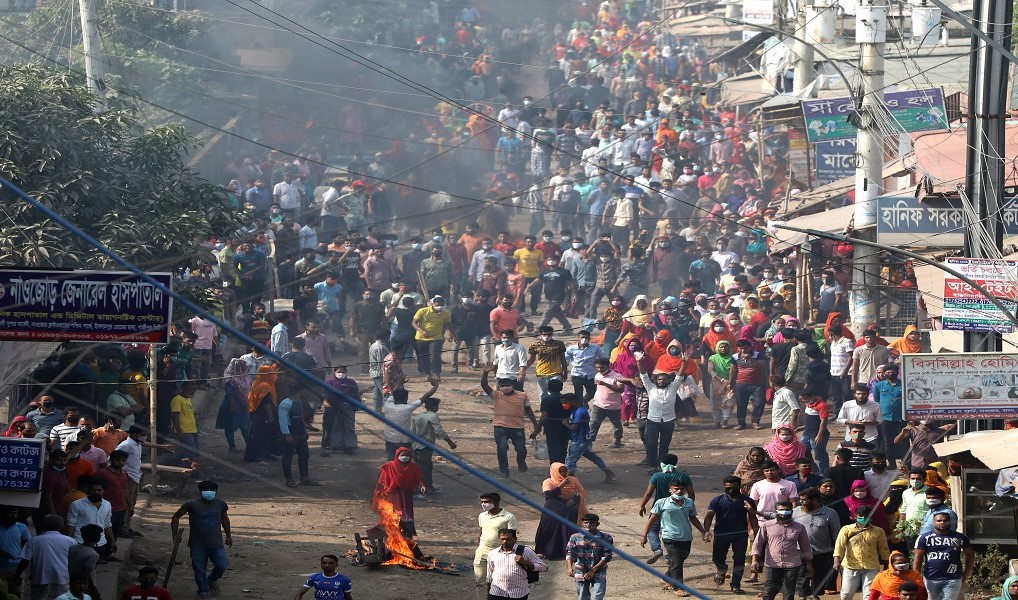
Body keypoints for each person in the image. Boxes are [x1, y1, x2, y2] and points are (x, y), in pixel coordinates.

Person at [170, 480, 232, 600]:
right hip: (197, 544)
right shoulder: (191, 505)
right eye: (205, 490)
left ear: (216, 491)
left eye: (212, 490)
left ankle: (212, 579)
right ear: (200, 491)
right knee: (199, 569)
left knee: (222, 565)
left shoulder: (221, 504)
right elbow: (176, 516)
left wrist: (228, 536)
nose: (209, 492)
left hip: (216, 543)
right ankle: (202, 591)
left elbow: (224, 519)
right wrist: (174, 534)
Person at [642, 479, 705, 596]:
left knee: (680, 560)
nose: (679, 491)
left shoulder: (689, 502)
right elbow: (652, 520)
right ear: (670, 490)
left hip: (686, 536)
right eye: (676, 489)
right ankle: (678, 587)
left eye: (682, 489)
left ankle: (666, 577)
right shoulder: (662, 503)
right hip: (669, 537)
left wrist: (703, 531)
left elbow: (693, 518)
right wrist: (644, 535)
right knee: (676, 561)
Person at [702, 475, 759, 595]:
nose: (731, 490)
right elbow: (709, 515)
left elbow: (753, 516)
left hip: (740, 534)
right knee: (717, 558)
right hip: (721, 534)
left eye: (734, 487)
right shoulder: (717, 500)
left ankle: (736, 584)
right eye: (728, 488)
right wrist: (706, 531)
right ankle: (721, 570)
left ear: (739, 487)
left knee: (739, 559)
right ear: (724, 487)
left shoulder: (747, 500)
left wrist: (756, 530)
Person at [638, 455, 695, 564]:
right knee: (673, 532)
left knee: (652, 530)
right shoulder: (683, 476)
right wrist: (688, 507)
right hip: (677, 508)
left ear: (662, 464)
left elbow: (649, 493)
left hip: (659, 507)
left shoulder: (657, 476)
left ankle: (657, 549)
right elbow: (691, 494)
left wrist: (642, 505)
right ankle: (670, 556)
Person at [481, 365, 537, 478]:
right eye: (502, 386)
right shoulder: (497, 395)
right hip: (500, 427)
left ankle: (521, 462)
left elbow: (529, 410)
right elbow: (484, 386)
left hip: (517, 427)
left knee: (521, 450)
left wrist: (536, 424)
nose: (505, 387)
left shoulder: (522, 395)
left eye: (507, 385)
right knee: (501, 448)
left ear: (512, 385)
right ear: (499, 387)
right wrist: (485, 373)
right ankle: (504, 470)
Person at [751, 500, 813, 600]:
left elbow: (805, 547)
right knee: (769, 592)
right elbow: (758, 543)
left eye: (787, 510)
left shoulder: (799, 527)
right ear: (776, 511)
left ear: (791, 511)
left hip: (792, 565)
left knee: (789, 594)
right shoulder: (767, 525)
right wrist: (754, 560)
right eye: (781, 510)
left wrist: (809, 565)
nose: (784, 512)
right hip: (773, 564)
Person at [793, 487, 841, 598]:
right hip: (800, 551)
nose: (801, 502)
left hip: (821, 551)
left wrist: (837, 553)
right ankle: (803, 596)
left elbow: (836, 535)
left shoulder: (830, 513)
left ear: (814, 500)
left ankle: (814, 595)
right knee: (802, 576)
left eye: (804, 500)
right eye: (800, 500)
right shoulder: (795, 512)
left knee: (818, 579)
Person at [834, 505, 891, 600]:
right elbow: (839, 546)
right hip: (850, 565)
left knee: (869, 595)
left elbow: (883, 548)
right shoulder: (846, 529)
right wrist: (836, 561)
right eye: (860, 516)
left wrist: (887, 563)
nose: (863, 518)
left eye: (866, 516)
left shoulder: (879, 531)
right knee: (846, 594)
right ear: (855, 516)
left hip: (871, 566)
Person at [913, 512, 973, 600]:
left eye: (945, 520)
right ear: (933, 522)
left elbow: (970, 555)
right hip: (931, 578)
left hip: (953, 578)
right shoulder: (924, 538)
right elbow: (918, 557)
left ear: (950, 522)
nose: (942, 522)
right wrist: (916, 576)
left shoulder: (960, 537)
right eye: (939, 520)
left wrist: (966, 573)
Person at [16, 514, 77, 600]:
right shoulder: (70, 541)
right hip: (62, 578)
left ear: (44, 526)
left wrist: (17, 575)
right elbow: (74, 561)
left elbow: (25, 560)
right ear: (60, 526)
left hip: (40, 579)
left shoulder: (34, 541)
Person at [636, 354, 681, 467]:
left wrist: (684, 362)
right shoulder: (650, 388)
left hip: (668, 421)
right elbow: (643, 375)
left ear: (668, 381)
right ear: (655, 380)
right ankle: (652, 466)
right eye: (659, 379)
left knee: (664, 445)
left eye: (664, 379)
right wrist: (639, 361)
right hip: (653, 421)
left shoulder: (673, 388)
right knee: (651, 444)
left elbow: (679, 376)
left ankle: (662, 465)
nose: (661, 381)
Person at [535, 463, 586, 560]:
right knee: (549, 529)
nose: (563, 473)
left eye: (564, 471)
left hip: (569, 508)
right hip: (553, 508)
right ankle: (545, 551)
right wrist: (562, 485)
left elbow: (581, 491)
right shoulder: (548, 482)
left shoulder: (573, 480)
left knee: (568, 530)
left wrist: (575, 499)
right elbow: (549, 495)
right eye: (560, 471)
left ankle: (568, 552)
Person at [562, 394, 616, 483]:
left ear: (572, 401)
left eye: (565, 402)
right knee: (593, 457)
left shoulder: (580, 412)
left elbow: (574, 427)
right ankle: (609, 473)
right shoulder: (575, 410)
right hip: (584, 440)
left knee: (570, 461)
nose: (564, 404)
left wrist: (565, 423)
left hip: (579, 440)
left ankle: (569, 482)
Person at [409, 396, 457, 496]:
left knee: (423, 467)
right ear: (435, 407)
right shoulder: (433, 416)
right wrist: (450, 442)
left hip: (416, 446)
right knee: (425, 469)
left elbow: (411, 433)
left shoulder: (417, 417)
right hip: (425, 447)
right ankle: (425, 488)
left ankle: (427, 486)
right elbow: (439, 431)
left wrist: (410, 447)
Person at [473, 493, 518, 600]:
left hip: (499, 555)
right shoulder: (482, 516)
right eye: (482, 502)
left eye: (487, 502)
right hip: (482, 553)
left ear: (496, 503)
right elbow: (481, 533)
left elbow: (512, 538)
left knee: (498, 582)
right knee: (480, 581)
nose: (484, 504)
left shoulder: (508, 517)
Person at [373, 447, 425, 538]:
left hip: (406, 494)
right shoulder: (389, 466)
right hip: (393, 494)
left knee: (407, 513)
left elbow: (418, 478)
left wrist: (422, 485)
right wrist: (380, 492)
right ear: (397, 456)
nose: (404, 457)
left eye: (407, 455)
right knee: (393, 513)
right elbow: (381, 480)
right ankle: (392, 533)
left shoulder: (413, 467)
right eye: (402, 455)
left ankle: (406, 534)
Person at [381, 377, 438, 459]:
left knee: (391, 461)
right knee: (405, 461)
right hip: (404, 441)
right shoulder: (407, 408)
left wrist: (399, 383)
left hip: (389, 439)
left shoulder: (387, 404)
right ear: (406, 399)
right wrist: (436, 385)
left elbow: (393, 393)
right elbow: (425, 397)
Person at [277, 376, 318, 487]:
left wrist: (305, 431)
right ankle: (289, 479)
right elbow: (283, 421)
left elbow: (300, 418)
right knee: (288, 456)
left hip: (300, 433)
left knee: (304, 455)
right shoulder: (285, 404)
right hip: (290, 433)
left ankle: (304, 478)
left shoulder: (299, 402)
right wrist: (287, 434)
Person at [486, 529, 548, 600]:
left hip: (518, 594)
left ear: (515, 539)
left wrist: (525, 562)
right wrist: (489, 593)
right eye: (502, 539)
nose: (505, 541)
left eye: (508, 539)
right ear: (499, 539)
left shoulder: (526, 551)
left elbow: (544, 567)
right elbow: (489, 575)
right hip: (496, 593)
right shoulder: (493, 553)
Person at [565, 514, 613, 600]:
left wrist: (593, 570)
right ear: (581, 523)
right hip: (581, 569)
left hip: (599, 570)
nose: (588, 525)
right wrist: (569, 567)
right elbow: (570, 553)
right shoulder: (575, 537)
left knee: (597, 597)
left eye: (592, 523)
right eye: (586, 522)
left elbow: (607, 556)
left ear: (597, 524)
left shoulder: (605, 538)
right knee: (582, 596)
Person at [64, 480, 116, 559]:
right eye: (93, 490)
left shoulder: (107, 505)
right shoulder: (77, 504)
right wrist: (69, 542)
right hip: (80, 542)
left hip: (100, 544)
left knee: (93, 568)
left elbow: (107, 524)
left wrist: (112, 541)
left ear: (104, 491)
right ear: (88, 490)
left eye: (99, 490)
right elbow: (71, 524)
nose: (96, 492)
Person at [244, 366, 279, 464]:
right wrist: (271, 416)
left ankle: (266, 454)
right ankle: (258, 457)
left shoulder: (258, 383)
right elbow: (266, 403)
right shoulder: (264, 386)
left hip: (257, 415)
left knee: (265, 436)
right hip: (263, 416)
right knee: (261, 436)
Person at [217, 358, 250, 454]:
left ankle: (249, 445)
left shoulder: (243, 378)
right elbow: (230, 394)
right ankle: (232, 446)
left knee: (245, 426)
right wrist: (233, 406)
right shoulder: (230, 380)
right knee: (230, 426)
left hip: (243, 406)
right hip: (232, 405)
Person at [0, 505, 30, 585]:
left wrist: (20, 572)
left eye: (15, 513)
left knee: (16, 595)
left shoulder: (22, 527)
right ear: (3, 513)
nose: (14, 516)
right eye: (10, 513)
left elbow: (27, 547)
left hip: (16, 567)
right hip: (1, 567)